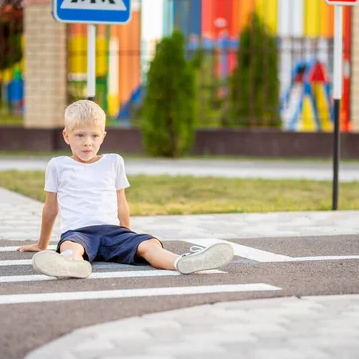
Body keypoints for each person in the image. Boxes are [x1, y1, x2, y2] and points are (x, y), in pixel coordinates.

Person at [17, 99, 234, 278]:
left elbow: (122, 204)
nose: (87, 143)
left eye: (94, 136)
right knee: (72, 247)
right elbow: (50, 209)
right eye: (80, 135)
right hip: (79, 232)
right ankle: (70, 265)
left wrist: (128, 236)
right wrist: (42, 244)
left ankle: (182, 262)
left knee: (148, 244)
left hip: (114, 232)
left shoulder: (114, 162)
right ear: (66, 136)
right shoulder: (58, 165)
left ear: (103, 136)